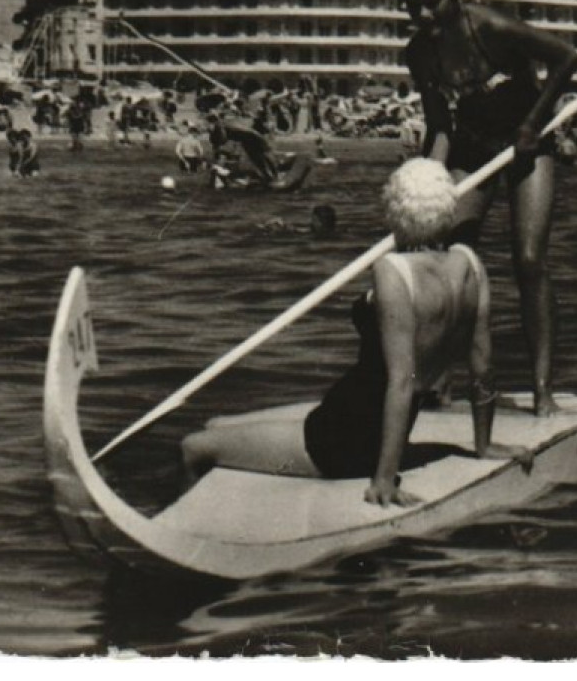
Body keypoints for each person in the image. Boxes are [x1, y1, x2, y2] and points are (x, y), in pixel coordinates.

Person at [181, 158, 523, 506]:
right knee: (217, 423)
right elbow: (483, 367)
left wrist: (384, 480)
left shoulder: (393, 269)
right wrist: (484, 445)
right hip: (373, 428)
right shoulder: (470, 265)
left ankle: (181, 527)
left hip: (342, 439)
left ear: (395, 210)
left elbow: (401, 380)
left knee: (194, 446)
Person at [400, 0, 577, 418]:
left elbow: (566, 58)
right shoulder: (418, 53)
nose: (421, 15)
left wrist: (532, 127)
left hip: (527, 145)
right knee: (448, 257)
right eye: (412, 5)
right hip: (473, 147)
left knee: (528, 260)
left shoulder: (492, 27)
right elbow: (439, 128)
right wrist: (427, 188)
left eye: (431, 3)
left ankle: (542, 389)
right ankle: (439, 381)